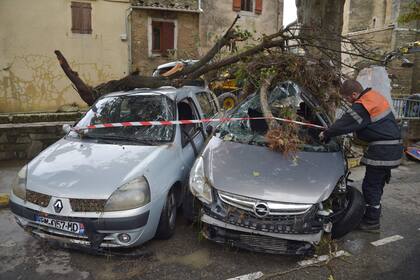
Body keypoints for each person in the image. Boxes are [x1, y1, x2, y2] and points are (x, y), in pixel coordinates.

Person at [319, 80, 403, 231]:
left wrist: (326, 133)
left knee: (371, 185)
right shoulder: (374, 97)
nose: (347, 101)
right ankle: (373, 214)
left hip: (382, 150)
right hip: (391, 148)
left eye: (346, 98)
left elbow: (344, 123)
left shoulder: (363, 104)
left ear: (354, 94)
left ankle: (371, 222)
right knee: (376, 184)